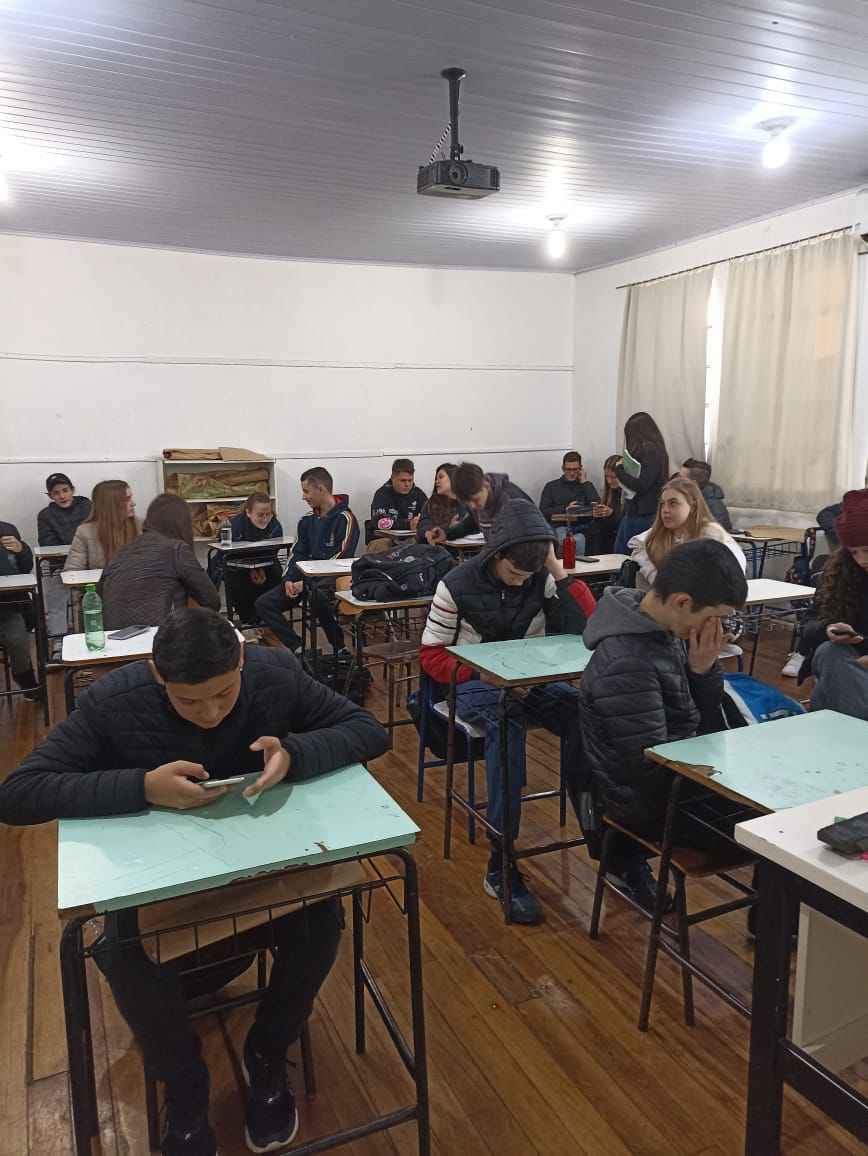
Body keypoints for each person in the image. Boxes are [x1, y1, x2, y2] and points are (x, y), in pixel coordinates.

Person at [0, 608, 389, 1156]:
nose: (209, 713)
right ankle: (183, 1082)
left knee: (322, 917)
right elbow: (18, 794)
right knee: (122, 950)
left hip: (259, 879)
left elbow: (368, 731)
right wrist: (142, 787)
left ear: (242, 662)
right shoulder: (114, 700)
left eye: (225, 694)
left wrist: (294, 753)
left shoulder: (275, 674)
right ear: (157, 675)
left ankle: (267, 1051)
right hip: (164, 894)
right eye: (188, 701)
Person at [420, 499, 595, 924]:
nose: (520, 582)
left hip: (532, 680)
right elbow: (431, 657)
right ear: (495, 554)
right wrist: (483, 672)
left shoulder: (541, 577)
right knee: (505, 721)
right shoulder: (455, 585)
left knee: (584, 714)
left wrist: (556, 570)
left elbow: (590, 628)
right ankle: (501, 861)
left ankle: (605, 841)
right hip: (472, 684)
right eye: (514, 573)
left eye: (528, 576)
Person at [579, 539, 749, 908]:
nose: (718, 629)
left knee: (781, 811)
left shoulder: (667, 629)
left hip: (677, 786)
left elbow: (698, 730)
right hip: (648, 804)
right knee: (774, 830)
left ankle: (777, 922)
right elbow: (653, 768)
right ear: (682, 602)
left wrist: (702, 671)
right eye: (715, 617)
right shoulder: (627, 662)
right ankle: (776, 927)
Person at [255, 468, 359, 655]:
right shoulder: (306, 520)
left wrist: (307, 583)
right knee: (263, 603)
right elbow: (297, 553)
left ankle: (340, 648)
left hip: (332, 580)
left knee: (316, 595)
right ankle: (298, 648)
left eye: (306, 491)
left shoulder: (346, 519)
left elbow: (342, 559)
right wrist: (289, 580)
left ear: (321, 489)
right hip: (304, 581)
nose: (303, 497)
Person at [796, 490, 868, 720]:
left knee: (837, 678)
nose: (862, 560)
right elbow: (808, 625)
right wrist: (827, 629)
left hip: (853, 668)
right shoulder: (841, 573)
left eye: (867, 550)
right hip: (849, 663)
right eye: (853, 552)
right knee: (831, 652)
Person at [100, 494, 220, 629]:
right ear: (182, 524)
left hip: (113, 638)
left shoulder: (121, 552)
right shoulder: (177, 549)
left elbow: (100, 597)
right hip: (159, 636)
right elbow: (212, 601)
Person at [628, 478, 745, 591]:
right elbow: (638, 546)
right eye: (662, 504)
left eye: (673, 503)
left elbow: (733, 577)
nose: (665, 510)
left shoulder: (712, 536)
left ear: (693, 506)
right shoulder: (658, 533)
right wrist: (654, 575)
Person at [210, 493, 285, 625]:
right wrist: (251, 569)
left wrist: (261, 568)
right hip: (235, 565)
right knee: (239, 581)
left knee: (277, 576)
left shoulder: (275, 525)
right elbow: (227, 555)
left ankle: (270, 617)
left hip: (265, 561)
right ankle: (249, 620)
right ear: (248, 513)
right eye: (260, 515)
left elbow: (273, 552)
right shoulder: (233, 526)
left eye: (268, 514)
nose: (265, 519)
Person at [429, 462, 532, 545]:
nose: (473, 506)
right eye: (468, 503)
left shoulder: (512, 500)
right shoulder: (477, 498)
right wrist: (447, 534)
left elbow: (534, 540)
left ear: (485, 485)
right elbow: (471, 524)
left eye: (475, 500)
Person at [613, 412, 670, 555]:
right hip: (639, 511)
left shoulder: (650, 451)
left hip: (644, 513)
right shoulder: (657, 450)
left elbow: (641, 485)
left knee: (626, 555)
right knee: (625, 554)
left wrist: (619, 469)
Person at [65, 479, 140, 571]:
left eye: (131, 498)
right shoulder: (85, 531)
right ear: (111, 504)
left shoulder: (140, 526)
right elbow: (72, 571)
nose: (133, 503)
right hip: (102, 580)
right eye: (127, 499)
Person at [0, 519, 38, 699]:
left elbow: (26, 568)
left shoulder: (7, 529)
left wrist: (21, 550)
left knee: (17, 638)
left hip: (8, 606)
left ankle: (27, 683)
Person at [539, 452, 600, 552]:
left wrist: (584, 482)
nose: (572, 473)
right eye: (568, 469)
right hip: (560, 525)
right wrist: (566, 508)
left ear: (580, 469)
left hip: (583, 526)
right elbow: (543, 511)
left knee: (581, 538)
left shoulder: (586, 485)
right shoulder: (551, 487)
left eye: (575, 469)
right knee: (565, 539)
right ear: (563, 468)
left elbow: (596, 504)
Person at [369, 459, 427, 535]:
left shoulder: (418, 493)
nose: (407, 484)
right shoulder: (382, 494)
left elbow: (431, 516)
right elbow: (379, 522)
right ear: (392, 478)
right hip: (385, 538)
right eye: (403, 480)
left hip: (412, 538)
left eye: (410, 480)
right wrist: (408, 524)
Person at [415, 463, 467, 544]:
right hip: (435, 547)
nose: (436, 481)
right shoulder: (431, 503)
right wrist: (448, 528)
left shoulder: (466, 503)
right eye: (436, 478)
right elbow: (423, 526)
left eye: (441, 477)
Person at [37, 472, 92, 546]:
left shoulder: (88, 506)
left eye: (65, 490)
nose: (62, 496)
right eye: (56, 493)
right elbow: (47, 545)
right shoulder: (45, 515)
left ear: (72, 490)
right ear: (50, 496)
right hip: (64, 553)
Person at [679, 459, 733, 532]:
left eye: (681, 479)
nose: (676, 481)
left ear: (693, 483)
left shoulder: (713, 507)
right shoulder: (692, 499)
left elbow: (715, 534)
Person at [587, 455, 624, 555]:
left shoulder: (630, 496)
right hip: (606, 542)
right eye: (607, 476)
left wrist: (612, 514)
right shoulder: (609, 493)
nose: (609, 481)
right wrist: (598, 516)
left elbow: (625, 525)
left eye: (613, 477)